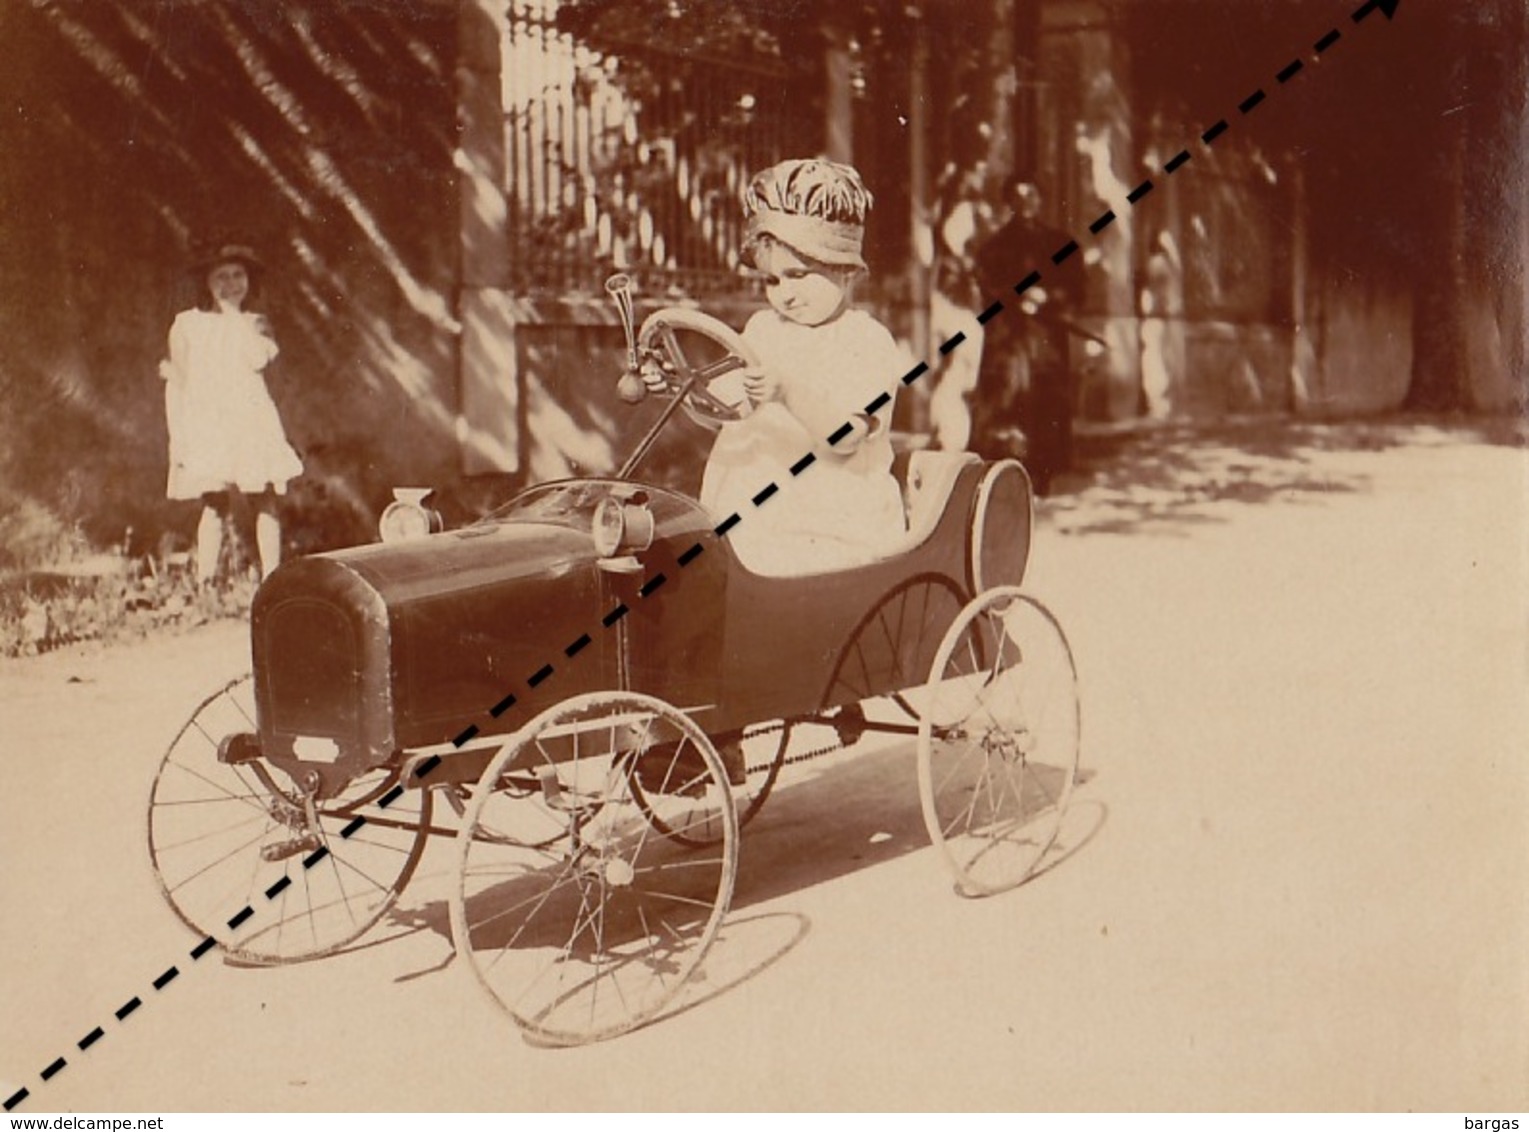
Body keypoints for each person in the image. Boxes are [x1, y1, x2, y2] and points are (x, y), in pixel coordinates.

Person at [680, 157, 908, 575]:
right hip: (748, 517)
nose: (784, 293)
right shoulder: (763, 329)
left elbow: (846, 438)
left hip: (828, 524)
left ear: (846, 272)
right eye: (772, 280)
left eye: (798, 274)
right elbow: (725, 409)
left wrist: (787, 392)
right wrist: (681, 387)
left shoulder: (866, 341)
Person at [160, 242, 302, 586]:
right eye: (221, 276)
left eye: (239, 275)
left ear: (250, 281)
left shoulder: (256, 324)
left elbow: (257, 359)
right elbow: (178, 381)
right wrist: (179, 435)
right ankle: (206, 580)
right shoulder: (187, 325)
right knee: (214, 504)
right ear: (206, 282)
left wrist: (236, 316)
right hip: (209, 422)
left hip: (250, 420)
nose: (231, 284)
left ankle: (272, 578)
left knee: (263, 497)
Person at [971, 178, 1086, 494]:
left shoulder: (1060, 242)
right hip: (1009, 338)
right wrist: (1016, 298)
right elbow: (987, 285)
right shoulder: (995, 247)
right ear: (1008, 203)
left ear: (1041, 199)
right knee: (1010, 402)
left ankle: (1043, 474)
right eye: (1018, 198)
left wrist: (1050, 298)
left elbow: (1077, 288)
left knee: (1047, 401)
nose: (1026, 203)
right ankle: (1003, 474)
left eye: (1032, 194)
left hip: (1047, 338)